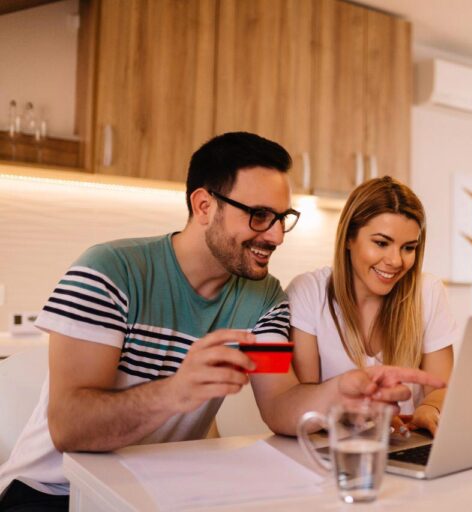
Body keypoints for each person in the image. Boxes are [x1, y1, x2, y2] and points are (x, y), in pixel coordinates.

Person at [0, 133, 443, 510]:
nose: (274, 236)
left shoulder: (263, 298)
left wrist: (339, 392)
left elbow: (280, 406)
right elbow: (69, 426)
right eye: (259, 216)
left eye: (282, 219)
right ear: (204, 205)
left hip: (157, 491)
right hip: (52, 491)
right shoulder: (110, 272)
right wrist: (175, 392)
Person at [287, 176, 459, 437]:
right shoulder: (308, 293)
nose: (395, 260)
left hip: (403, 443)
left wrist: (430, 409)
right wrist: (357, 416)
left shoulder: (428, 292)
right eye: (381, 243)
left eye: (408, 248)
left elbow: (440, 389)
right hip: (336, 450)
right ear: (348, 238)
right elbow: (304, 403)